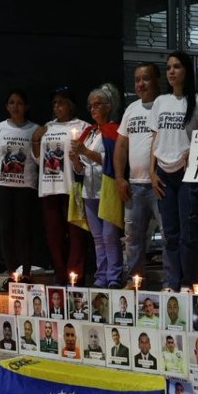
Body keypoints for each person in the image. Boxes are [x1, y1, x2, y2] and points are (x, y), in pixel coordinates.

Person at [151, 51, 198, 291]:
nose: (171, 71)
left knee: (189, 232)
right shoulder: (160, 102)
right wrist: (152, 172)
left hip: (189, 172)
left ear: (187, 70)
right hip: (163, 173)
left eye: (176, 66)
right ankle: (173, 282)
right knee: (170, 233)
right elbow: (155, 138)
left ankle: (189, 282)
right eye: (168, 68)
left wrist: (194, 151)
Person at [115, 63, 166, 288]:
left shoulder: (165, 105)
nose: (141, 84)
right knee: (133, 237)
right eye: (137, 80)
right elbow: (121, 145)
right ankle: (135, 281)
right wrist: (119, 177)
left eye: (146, 78)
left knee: (168, 236)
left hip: (160, 183)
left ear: (157, 80)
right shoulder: (131, 109)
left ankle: (171, 282)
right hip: (135, 185)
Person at [33, 87, 89, 285]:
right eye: (54, 103)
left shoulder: (82, 126)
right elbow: (38, 159)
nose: (57, 106)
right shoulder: (47, 127)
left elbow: (86, 158)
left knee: (75, 233)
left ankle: (76, 276)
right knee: (54, 235)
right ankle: (61, 275)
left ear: (70, 105)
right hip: (49, 187)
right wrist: (35, 139)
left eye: (61, 103)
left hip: (72, 187)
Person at [0, 89, 39, 291]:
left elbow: (40, 158)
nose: (16, 106)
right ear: (7, 106)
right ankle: (12, 275)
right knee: (6, 230)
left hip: (26, 187)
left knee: (25, 230)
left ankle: (26, 274)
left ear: (26, 106)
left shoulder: (35, 129)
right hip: (3, 187)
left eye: (20, 103)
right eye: (12, 102)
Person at [72, 84, 123, 287]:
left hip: (107, 190)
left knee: (110, 236)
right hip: (89, 191)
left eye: (97, 104)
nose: (93, 109)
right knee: (98, 238)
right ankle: (101, 276)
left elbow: (112, 160)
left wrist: (85, 152)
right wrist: (75, 159)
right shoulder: (88, 132)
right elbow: (81, 170)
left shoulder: (114, 130)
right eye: (90, 105)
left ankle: (114, 277)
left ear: (108, 106)